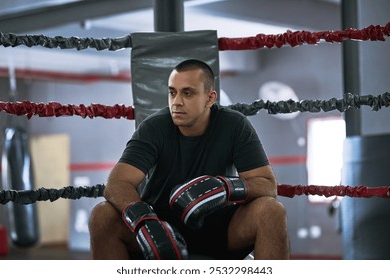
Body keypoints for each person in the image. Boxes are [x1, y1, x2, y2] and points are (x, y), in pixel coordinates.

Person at [88, 59, 289, 260]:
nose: (176, 101)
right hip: (161, 229)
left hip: (221, 230)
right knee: (102, 215)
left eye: (187, 93)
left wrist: (224, 187)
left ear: (210, 98)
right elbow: (117, 183)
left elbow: (267, 186)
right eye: (172, 92)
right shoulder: (154, 128)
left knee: (272, 211)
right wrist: (145, 221)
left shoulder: (234, 125)